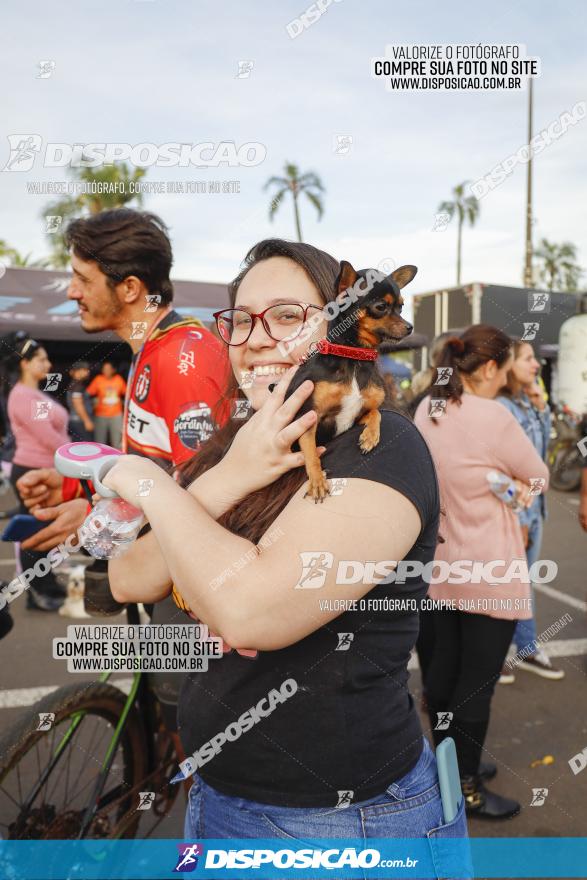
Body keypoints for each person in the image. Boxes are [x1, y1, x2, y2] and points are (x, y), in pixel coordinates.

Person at [104, 239, 471, 869]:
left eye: (288, 315)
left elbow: (251, 613)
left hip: (340, 819)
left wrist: (142, 482)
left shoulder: (383, 446)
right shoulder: (236, 438)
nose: (256, 337)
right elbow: (129, 577)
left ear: (340, 322)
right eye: (240, 320)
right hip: (218, 793)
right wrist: (229, 476)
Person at [16, 208, 228, 755]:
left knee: (191, 734)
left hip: (194, 588)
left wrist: (96, 520)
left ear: (130, 287)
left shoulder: (183, 358)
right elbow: (154, 465)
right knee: (161, 708)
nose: (70, 290)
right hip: (162, 569)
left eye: (83, 278)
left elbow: (207, 496)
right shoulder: (151, 349)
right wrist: (78, 490)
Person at [414, 326, 549, 820]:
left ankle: (449, 772)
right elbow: (539, 476)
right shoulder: (495, 415)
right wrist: (506, 485)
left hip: (436, 568)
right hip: (489, 569)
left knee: (443, 681)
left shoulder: (427, 408)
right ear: (490, 368)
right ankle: (465, 789)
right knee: (475, 687)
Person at [496, 340, 564, 681]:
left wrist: (541, 408)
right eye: (528, 359)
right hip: (516, 510)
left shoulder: (527, 404)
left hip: (534, 509)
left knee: (522, 583)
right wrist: (520, 516)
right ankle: (499, 654)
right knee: (505, 583)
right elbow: (506, 467)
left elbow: (540, 458)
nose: (536, 364)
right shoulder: (502, 407)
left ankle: (523, 648)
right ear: (509, 366)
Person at [4, 334, 70, 610]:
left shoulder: (32, 394)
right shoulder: (24, 396)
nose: (48, 363)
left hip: (43, 468)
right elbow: (49, 439)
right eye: (41, 359)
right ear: (26, 364)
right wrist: (78, 456)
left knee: (43, 529)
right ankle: (38, 592)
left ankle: (45, 585)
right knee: (36, 532)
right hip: (34, 469)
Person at [86, 361, 126, 448]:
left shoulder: (119, 379)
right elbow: (87, 394)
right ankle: (99, 460)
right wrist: (92, 404)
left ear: (113, 370)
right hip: (101, 415)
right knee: (100, 442)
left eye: (108, 369)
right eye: (104, 369)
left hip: (116, 415)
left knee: (117, 442)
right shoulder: (98, 379)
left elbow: (126, 393)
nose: (106, 371)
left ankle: (118, 460)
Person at [66, 361, 94, 441]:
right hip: (79, 422)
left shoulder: (75, 384)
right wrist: (87, 421)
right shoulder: (77, 386)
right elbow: (78, 404)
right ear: (77, 371)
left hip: (77, 421)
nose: (87, 372)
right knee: (85, 448)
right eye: (85, 370)